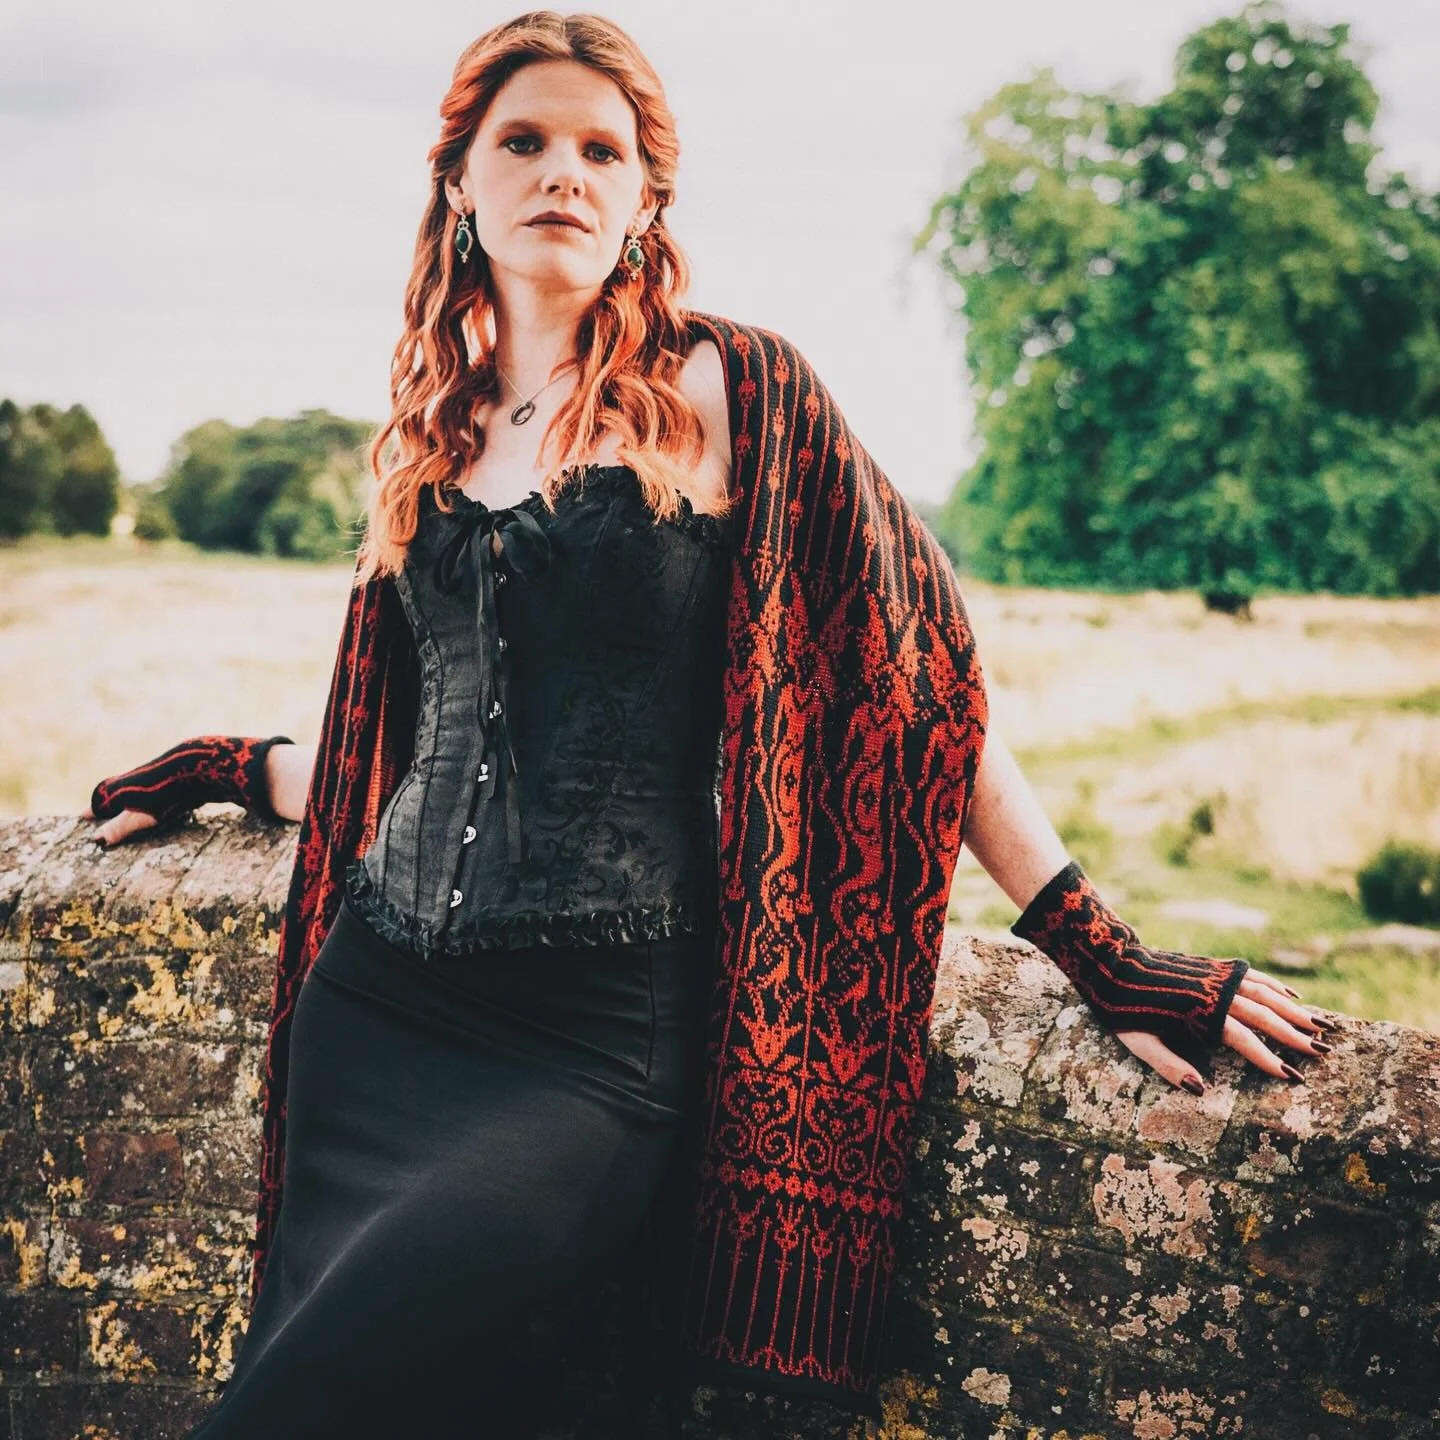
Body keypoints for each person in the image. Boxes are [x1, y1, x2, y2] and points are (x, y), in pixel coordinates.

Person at [84, 12, 1339, 1437]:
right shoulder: (435, 432)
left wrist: (1097, 949)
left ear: (644, 198)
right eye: (526, 141)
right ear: (461, 184)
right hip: (375, 1015)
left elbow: (913, 698)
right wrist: (235, 770)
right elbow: (410, 752)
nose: (563, 169)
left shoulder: (731, 391)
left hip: (591, 1048)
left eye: (599, 149)